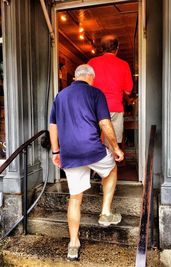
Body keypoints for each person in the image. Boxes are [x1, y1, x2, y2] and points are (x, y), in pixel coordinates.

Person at [49, 64, 124, 261]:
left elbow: (53, 126)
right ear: (91, 77)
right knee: (112, 168)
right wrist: (115, 148)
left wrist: (56, 151)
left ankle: (73, 244)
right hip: (92, 149)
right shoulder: (95, 93)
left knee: (75, 198)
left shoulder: (60, 96)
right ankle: (105, 212)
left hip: (69, 153)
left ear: (75, 77)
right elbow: (105, 123)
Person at [88, 34, 134, 146]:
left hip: (95, 109)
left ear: (102, 48)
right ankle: (111, 161)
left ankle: (98, 162)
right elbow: (128, 91)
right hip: (115, 109)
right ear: (117, 48)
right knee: (113, 145)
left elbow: (86, 88)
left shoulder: (91, 63)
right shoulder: (124, 65)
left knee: (95, 144)